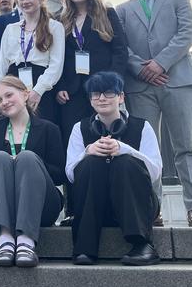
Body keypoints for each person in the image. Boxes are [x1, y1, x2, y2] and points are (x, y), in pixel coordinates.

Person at [116, 0, 192, 227]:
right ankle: (152, 208)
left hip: (178, 79)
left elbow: (187, 35)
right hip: (141, 85)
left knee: (186, 147)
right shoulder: (123, 9)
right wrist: (142, 68)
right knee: (147, 148)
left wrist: (160, 64)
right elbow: (122, 46)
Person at [66, 72, 162, 265]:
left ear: (121, 97)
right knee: (90, 162)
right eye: (96, 94)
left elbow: (155, 171)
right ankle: (84, 248)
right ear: (91, 99)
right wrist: (88, 151)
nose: (102, 98)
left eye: (109, 93)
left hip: (136, 206)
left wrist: (124, 150)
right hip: (95, 205)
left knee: (125, 162)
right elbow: (70, 173)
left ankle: (142, 245)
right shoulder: (80, 128)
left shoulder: (142, 126)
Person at [0, 76, 64, 268]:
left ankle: (26, 242)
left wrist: (29, 165)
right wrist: (8, 165)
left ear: (25, 94)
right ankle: (5, 239)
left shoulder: (49, 129)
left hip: (41, 205)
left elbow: (59, 174)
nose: (4, 102)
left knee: (27, 158)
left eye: (9, 95)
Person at [56, 0, 127, 145]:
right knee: (74, 138)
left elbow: (120, 50)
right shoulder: (61, 19)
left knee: (106, 136)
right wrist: (60, 86)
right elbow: (57, 57)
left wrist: (113, 83)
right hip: (72, 91)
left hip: (103, 87)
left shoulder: (106, 13)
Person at [0, 0, 64, 120]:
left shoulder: (54, 27)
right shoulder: (10, 29)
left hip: (41, 88)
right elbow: (2, 65)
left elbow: (56, 65)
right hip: (12, 87)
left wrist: (37, 91)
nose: (25, 1)